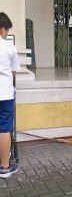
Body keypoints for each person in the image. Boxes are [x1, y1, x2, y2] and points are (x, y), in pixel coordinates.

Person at [0, 12, 20, 178]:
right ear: (2, 30)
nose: (6, 34)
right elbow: (14, 71)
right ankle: (5, 167)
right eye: (6, 31)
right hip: (4, 94)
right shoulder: (9, 47)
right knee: (4, 128)